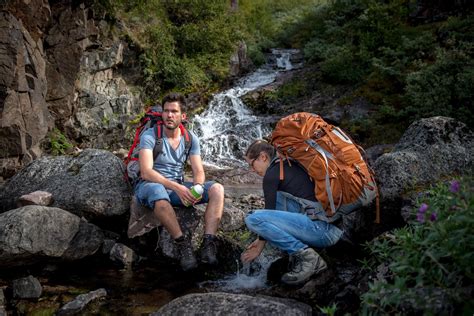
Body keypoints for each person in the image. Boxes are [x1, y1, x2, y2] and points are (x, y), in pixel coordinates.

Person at [135, 92, 224, 271]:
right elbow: (146, 172)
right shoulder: (150, 136)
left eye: (174, 111)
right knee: (158, 193)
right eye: (166, 111)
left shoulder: (191, 139)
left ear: (183, 116)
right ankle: (183, 245)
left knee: (217, 189)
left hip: (176, 186)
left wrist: (197, 189)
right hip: (149, 186)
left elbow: (198, 171)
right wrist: (178, 187)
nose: (169, 115)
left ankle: (208, 244)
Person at [240, 140, 343, 285]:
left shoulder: (272, 174)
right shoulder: (288, 166)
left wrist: (259, 248)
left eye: (252, 164)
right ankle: (296, 253)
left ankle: (309, 258)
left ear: (263, 157)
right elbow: (273, 212)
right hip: (333, 229)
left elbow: (266, 214)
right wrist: (259, 240)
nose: (252, 170)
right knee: (278, 199)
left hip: (321, 232)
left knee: (252, 218)